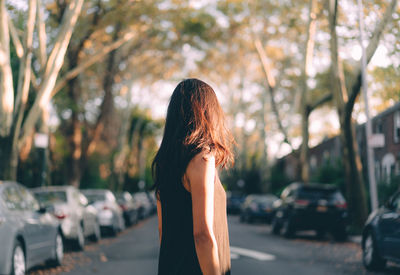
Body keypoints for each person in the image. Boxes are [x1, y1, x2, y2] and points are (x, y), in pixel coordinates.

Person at [152, 79, 234, 275]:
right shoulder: (202, 158)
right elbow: (202, 235)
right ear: (207, 112)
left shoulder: (165, 163)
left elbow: (163, 231)